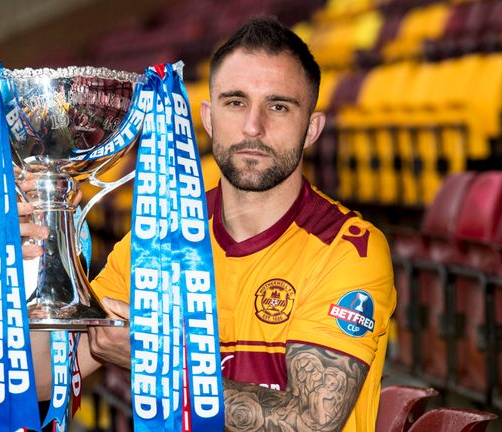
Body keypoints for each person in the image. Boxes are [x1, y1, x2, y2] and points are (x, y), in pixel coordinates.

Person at [20, 16, 395, 432]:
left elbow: (312, 421)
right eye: (235, 102)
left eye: (279, 106)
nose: (254, 127)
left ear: (312, 128)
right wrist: (42, 257)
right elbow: (42, 380)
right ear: (208, 117)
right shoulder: (156, 244)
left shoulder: (347, 249)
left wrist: (157, 369)